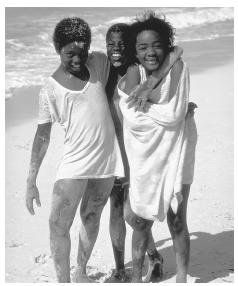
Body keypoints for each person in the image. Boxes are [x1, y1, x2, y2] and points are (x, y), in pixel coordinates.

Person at [25, 17, 125, 283]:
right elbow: (43, 134)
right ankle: (64, 281)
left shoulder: (99, 63)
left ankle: (81, 271)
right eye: (70, 53)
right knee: (58, 225)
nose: (77, 59)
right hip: (75, 163)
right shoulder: (50, 88)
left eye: (82, 52)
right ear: (58, 50)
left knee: (91, 217)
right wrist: (31, 180)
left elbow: (126, 65)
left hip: (106, 161)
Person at [117, 11, 197, 283]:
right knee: (140, 221)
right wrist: (166, 109)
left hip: (178, 147)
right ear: (134, 51)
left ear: (166, 45)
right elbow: (131, 116)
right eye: (142, 47)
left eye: (157, 45)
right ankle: (136, 279)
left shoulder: (178, 67)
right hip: (145, 154)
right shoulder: (132, 71)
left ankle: (182, 279)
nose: (150, 52)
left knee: (177, 219)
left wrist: (151, 85)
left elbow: (173, 115)